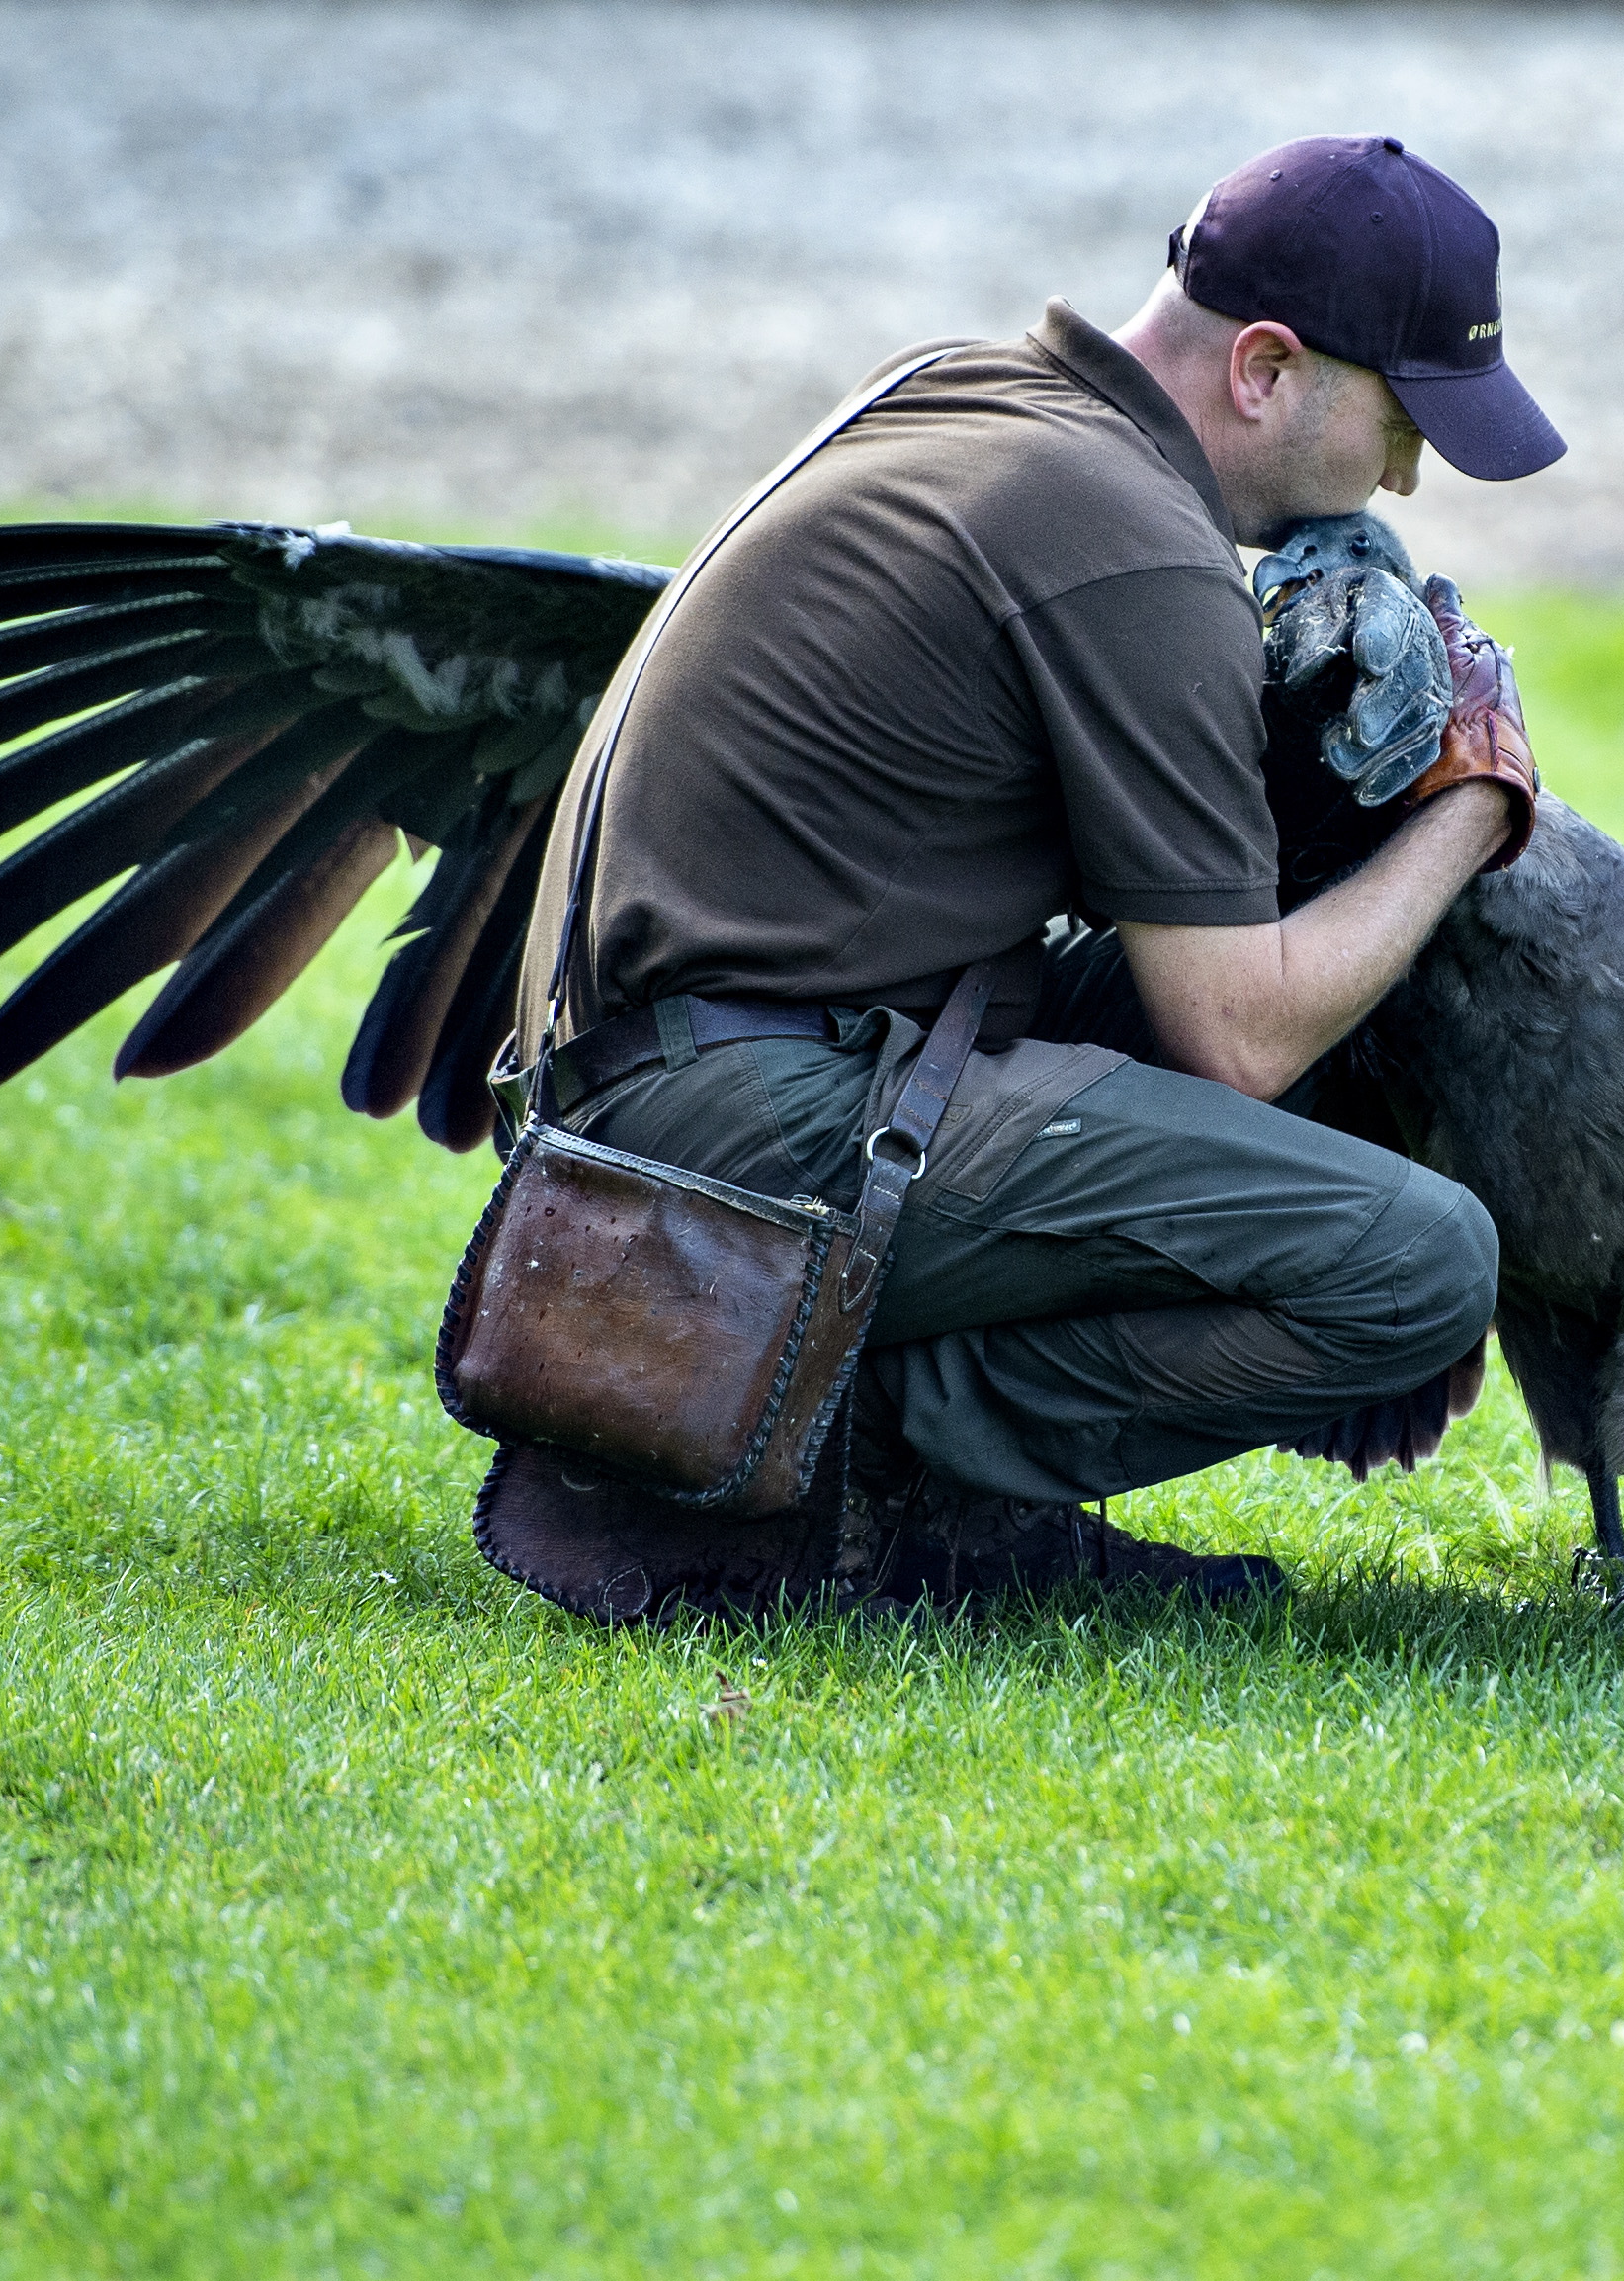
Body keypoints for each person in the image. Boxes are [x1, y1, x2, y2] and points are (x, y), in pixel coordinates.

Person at [472, 135, 1567, 1621]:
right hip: (723, 1145)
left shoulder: (973, 393)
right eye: (1398, 418)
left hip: (672, 1080)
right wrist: (1471, 799)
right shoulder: (1131, 548)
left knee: (1349, 1001)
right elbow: (1234, 1039)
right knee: (1418, 1263)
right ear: (1261, 368)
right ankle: (853, 1482)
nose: (1406, 475)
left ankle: (782, 1421)